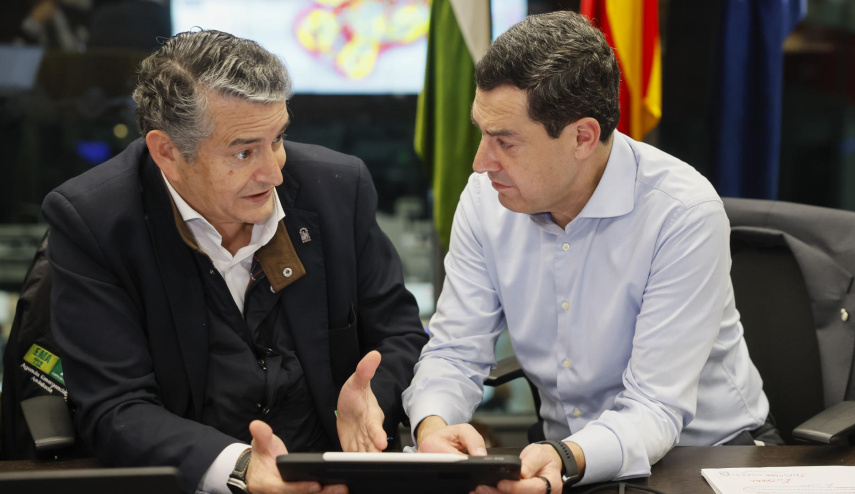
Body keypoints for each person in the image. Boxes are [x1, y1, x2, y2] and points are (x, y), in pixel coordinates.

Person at [402, 10, 778, 494]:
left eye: (505, 142)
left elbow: (655, 408)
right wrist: (433, 427)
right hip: (564, 461)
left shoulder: (681, 212)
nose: (480, 163)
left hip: (705, 460)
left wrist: (563, 457)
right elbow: (454, 353)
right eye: (481, 132)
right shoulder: (486, 199)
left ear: (583, 137)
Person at [42, 30, 428, 494]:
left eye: (279, 139)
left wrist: (375, 399)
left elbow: (400, 334)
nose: (274, 172)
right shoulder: (94, 221)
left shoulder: (338, 188)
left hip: (334, 479)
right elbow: (115, 406)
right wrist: (240, 468)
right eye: (244, 151)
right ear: (167, 151)